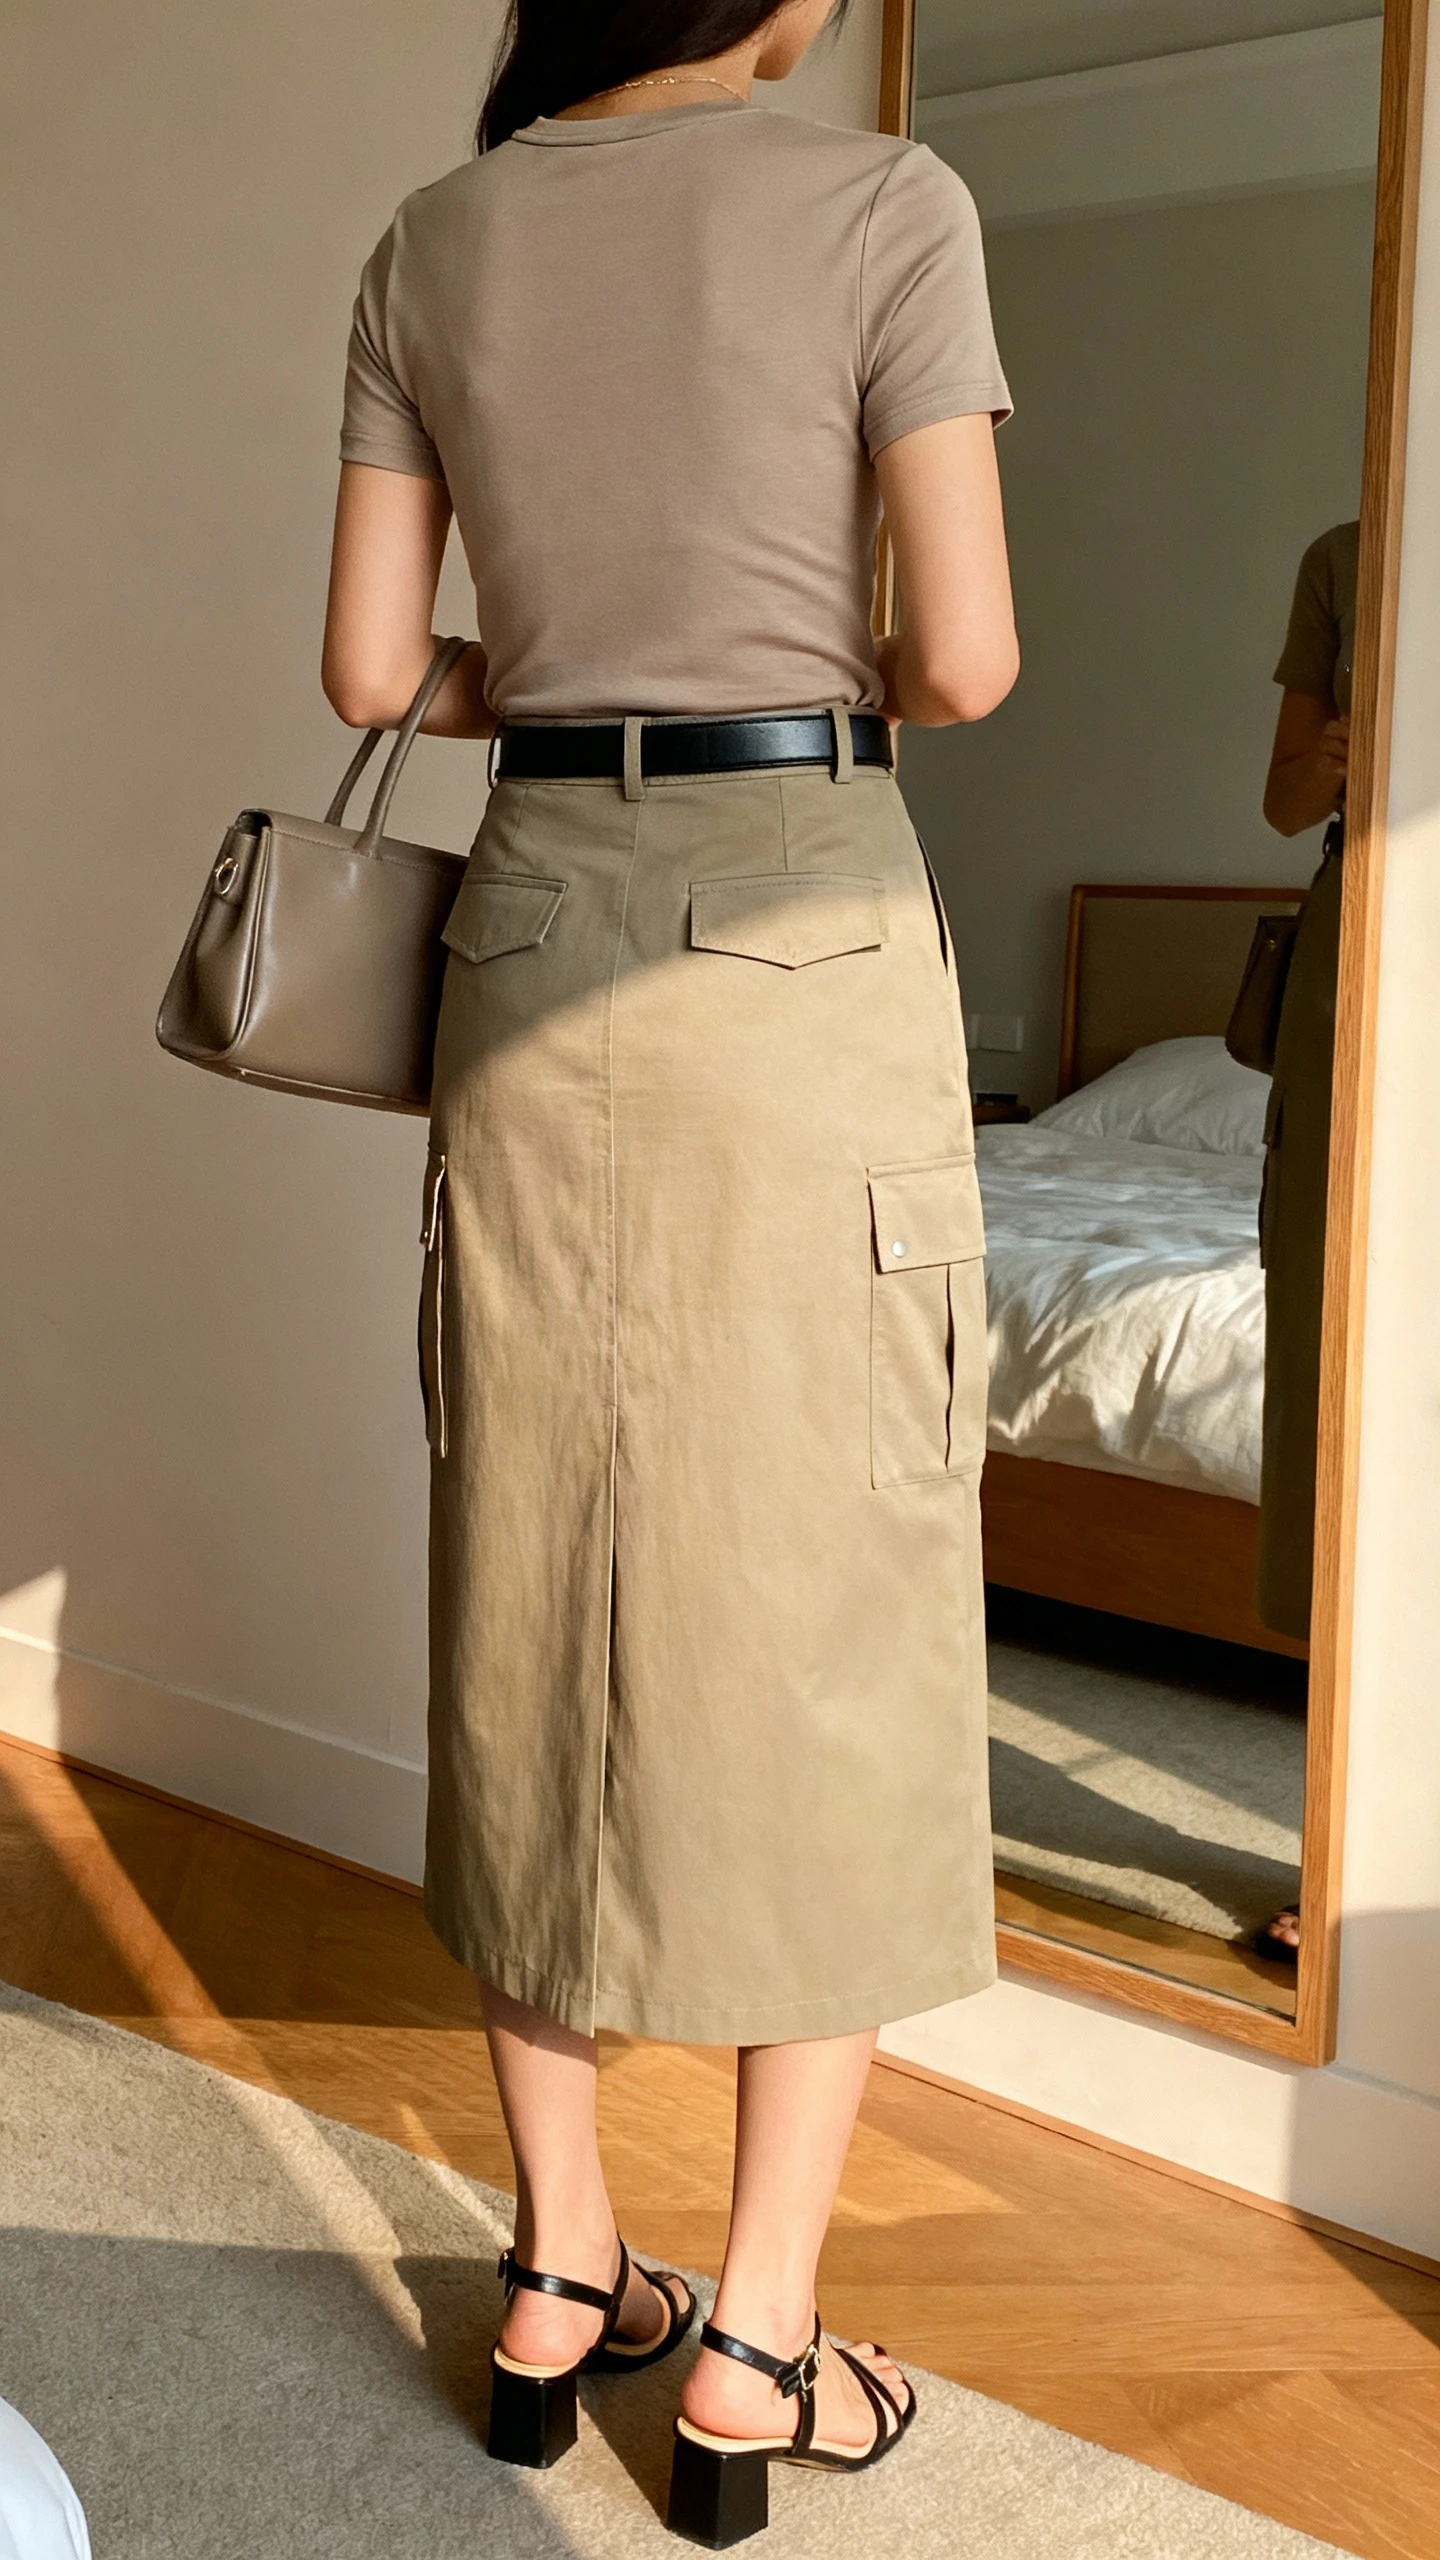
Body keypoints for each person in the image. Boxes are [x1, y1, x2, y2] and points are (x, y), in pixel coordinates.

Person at [323, 0, 1017, 2531]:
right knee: (821, 1596)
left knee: (534, 1575)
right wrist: (780, 668)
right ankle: (756, 2346)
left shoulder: (436, 235)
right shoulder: (882, 202)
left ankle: (556, 2268)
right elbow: (964, 658)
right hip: (801, 927)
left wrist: (570, 675)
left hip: (527, 942)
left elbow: (372, 672)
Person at [1255, 519, 1358, 1961]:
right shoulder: (1348, 560)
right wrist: (1342, 749)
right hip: (1358, 932)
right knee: (1332, 1379)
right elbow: (1279, 805)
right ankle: (1332, 1852)